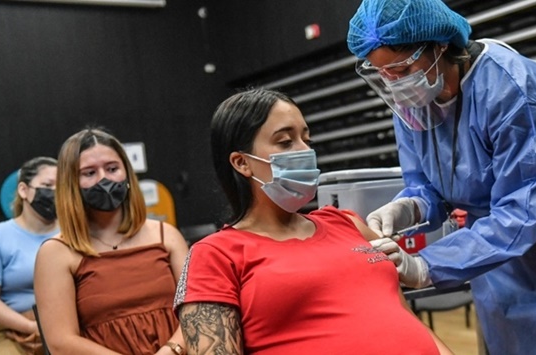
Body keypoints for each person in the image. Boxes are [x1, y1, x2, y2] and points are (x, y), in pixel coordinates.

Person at [346, 0, 536, 354]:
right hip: (497, 272)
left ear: (439, 44)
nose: (395, 83)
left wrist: (427, 265)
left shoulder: (514, 91)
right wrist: (410, 206)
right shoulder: (414, 101)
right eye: (383, 73)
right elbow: (431, 185)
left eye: (401, 68)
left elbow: (520, 213)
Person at [173, 88, 451, 354]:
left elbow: (402, 313)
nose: (304, 150)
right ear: (241, 162)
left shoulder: (347, 223)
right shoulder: (216, 255)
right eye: (285, 141)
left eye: (307, 139)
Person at [34, 128, 189, 355]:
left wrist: (170, 351)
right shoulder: (56, 253)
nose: (103, 179)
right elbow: (61, 342)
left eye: (112, 169)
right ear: (71, 183)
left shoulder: (167, 236)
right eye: (89, 173)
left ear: (126, 173)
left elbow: (196, 311)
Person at [0, 157, 59, 355]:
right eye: (47, 185)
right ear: (23, 190)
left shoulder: (74, 233)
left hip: (69, 325)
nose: (54, 192)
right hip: (14, 330)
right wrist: (30, 328)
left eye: (61, 186)